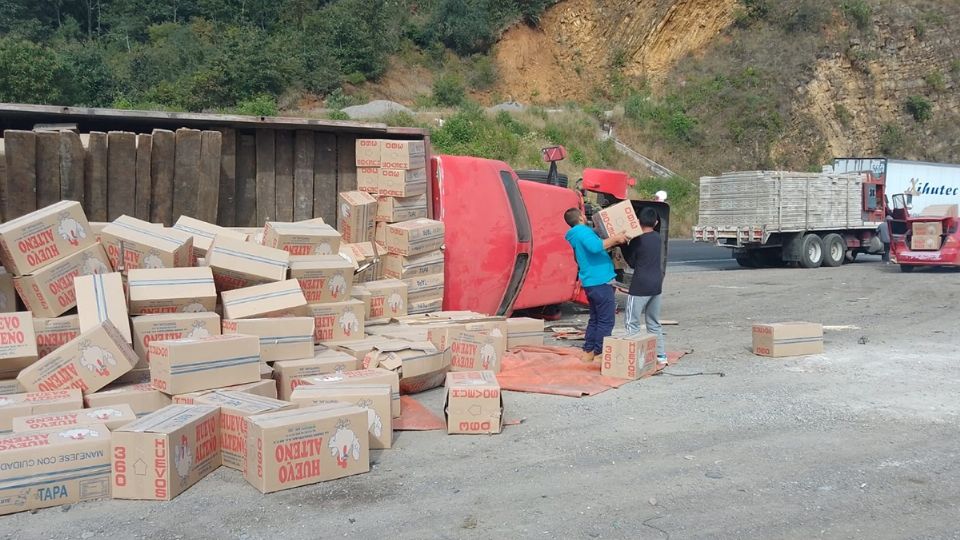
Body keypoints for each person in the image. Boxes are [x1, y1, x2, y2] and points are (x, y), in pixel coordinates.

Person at [564, 208, 628, 363]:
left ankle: (589, 351)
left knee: (595, 318)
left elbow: (592, 250)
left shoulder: (575, 235)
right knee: (606, 320)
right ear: (580, 217)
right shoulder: (582, 232)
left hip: (591, 281)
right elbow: (595, 247)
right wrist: (616, 239)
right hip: (600, 280)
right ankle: (600, 353)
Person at [622, 207, 667, 366]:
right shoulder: (657, 237)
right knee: (654, 323)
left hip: (640, 285)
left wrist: (623, 245)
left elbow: (632, 263)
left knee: (631, 322)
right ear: (655, 223)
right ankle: (661, 356)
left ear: (638, 221)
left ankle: (635, 357)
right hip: (656, 285)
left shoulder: (637, 240)